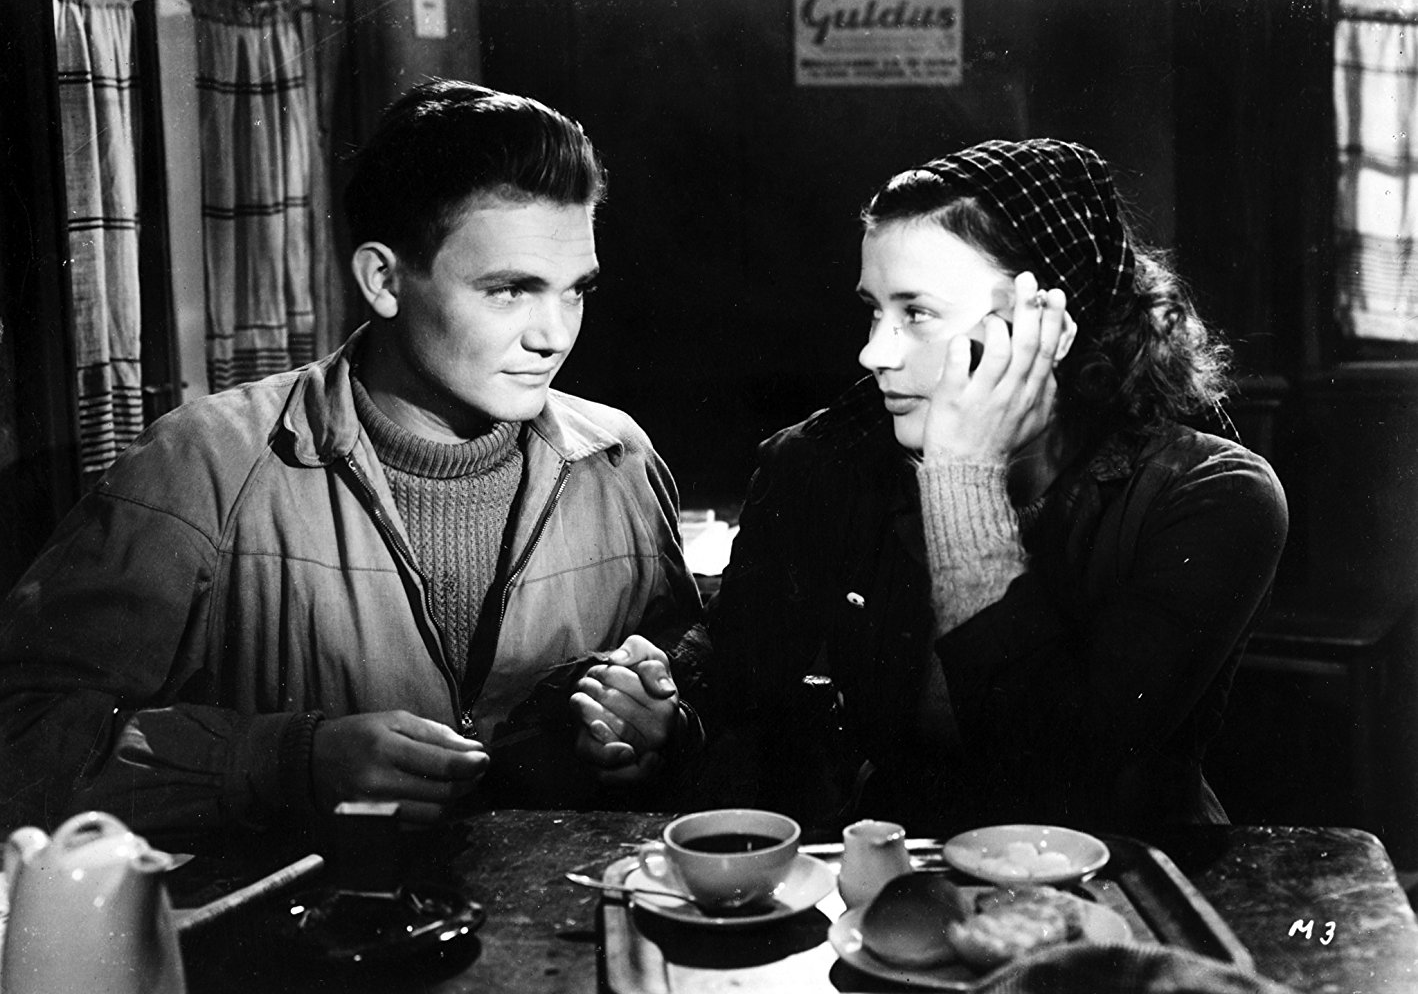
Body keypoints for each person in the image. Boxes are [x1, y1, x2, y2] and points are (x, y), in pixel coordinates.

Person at [0, 80, 702, 848]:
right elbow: (21, 738)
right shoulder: (202, 465)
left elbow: (691, 687)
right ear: (383, 280)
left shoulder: (617, 462)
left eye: (575, 293)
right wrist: (283, 762)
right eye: (510, 291)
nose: (554, 336)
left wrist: (657, 725)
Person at [695, 139, 1288, 836]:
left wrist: (962, 480)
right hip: (898, 873)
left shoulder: (1214, 494)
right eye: (874, 310)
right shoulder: (823, 460)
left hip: (1127, 874)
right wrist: (661, 705)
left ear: (1049, 325)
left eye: (917, 313)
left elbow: (1054, 777)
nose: (874, 353)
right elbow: (736, 673)